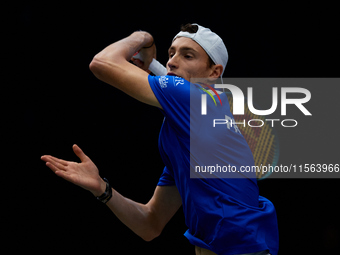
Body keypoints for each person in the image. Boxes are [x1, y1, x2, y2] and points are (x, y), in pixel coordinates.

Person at [41, 23, 279, 255]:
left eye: (188, 55)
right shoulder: (184, 137)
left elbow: (102, 63)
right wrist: (102, 189)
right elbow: (150, 224)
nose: (172, 61)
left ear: (214, 73)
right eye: (171, 53)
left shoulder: (194, 99)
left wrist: (143, 37)